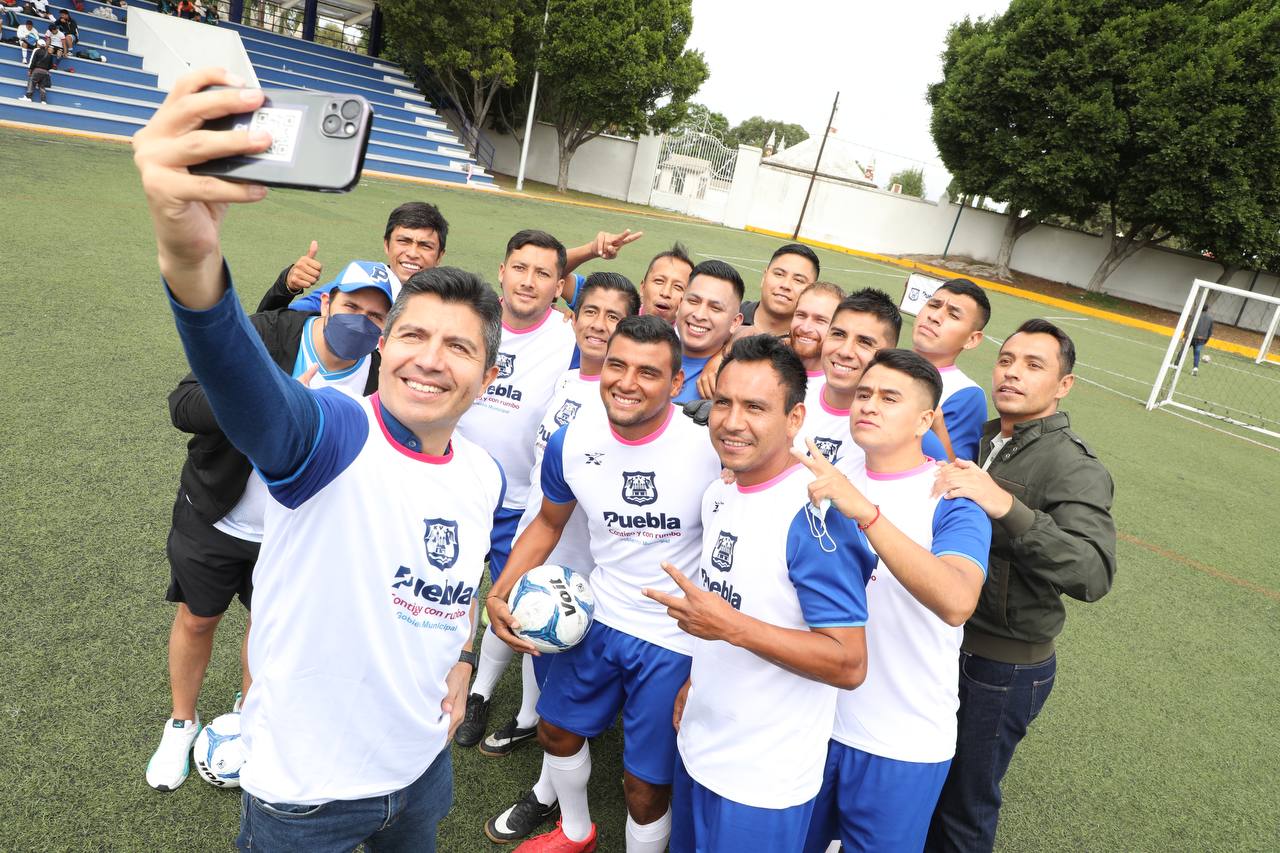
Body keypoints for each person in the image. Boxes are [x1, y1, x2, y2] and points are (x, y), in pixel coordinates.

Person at [133, 70, 506, 851]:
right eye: (411, 336)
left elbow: (459, 579)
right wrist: (191, 257)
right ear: (384, 348)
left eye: (458, 346)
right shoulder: (334, 434)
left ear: (489, 375)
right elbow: (242, 382)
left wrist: (464, 656)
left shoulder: (482, 473)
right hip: (306, 793)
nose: (429, 360)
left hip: (421, 770)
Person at [146, 262, 393, 792]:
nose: (362, 323)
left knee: (269, 633)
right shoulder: (268, 335)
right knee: (196, 620)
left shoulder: (382, 376)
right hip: (217, 513)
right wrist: (264, 397)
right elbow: (182, 405)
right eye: (352, 307)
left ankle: (250, 721)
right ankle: (181, 723)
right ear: (326, 302)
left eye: (377, 317)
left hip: (296, 535)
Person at [486, 315, 723, 853]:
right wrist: (500, 592)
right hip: (599, 614)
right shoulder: (573, 442)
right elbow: (548, 523)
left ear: (675, 384)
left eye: (648, 372)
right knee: (556, 731)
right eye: (617, 364)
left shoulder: (710, 450)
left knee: (643, 787)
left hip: (674, 637)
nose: (627, 381)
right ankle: (575, 831)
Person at [648, 335, 874, 853]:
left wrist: (730, 627)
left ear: (795, 419)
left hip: (763, 781)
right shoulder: (720, 492)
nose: (731, 421)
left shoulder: (814, 515)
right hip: (700, 747)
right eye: (723, 402)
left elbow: (848, 663)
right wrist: (698, 679)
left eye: (755, 407)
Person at [926, 319, 1117, 853]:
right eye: (1007, 359)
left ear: (1064, 385)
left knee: (963, 807)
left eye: (1034, 365)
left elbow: (1093, 572)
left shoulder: (1071, 465)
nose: (1012, 372)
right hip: (948, 642)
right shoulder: (989, 437)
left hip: (1001, 667)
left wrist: (1008, 507)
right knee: (927, 782)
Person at [798, 348, 991, 853]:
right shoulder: (830, 475)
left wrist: (867, 514)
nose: (869, 405)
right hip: (812, 719)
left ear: (924, 419)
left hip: (900, 740)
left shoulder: (952, 496)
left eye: (889, 397)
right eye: (864, 393)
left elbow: (956, 600)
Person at [482, 273, 641, 844]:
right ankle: (554, 797)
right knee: (545, 683)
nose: (600, 324)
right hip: (541, 561)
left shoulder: (632, 406)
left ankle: (551, 800)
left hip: (584, 579)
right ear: (574, 317)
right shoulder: (564, 380)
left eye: (614, 317)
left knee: (566, 710)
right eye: (591, 311)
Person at [452, 230, 578, 747]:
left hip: (522, 504)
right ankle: (463, 688)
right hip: (453, 487)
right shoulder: (471, 321)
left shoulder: (570, 340)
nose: (529, 281)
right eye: (520, 268)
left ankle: (517, 709)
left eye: (543, 273)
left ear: (560, 285)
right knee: (449, 594)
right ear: (501, 271)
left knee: (521, 604)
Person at [257, 201, 450, 312]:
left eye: (425, 245)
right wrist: (286, 286)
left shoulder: (452, 302)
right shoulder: (357, 279)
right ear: (386, 245)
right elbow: (271, 325)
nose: (412, 253)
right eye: (404, 241)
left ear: (440, 255)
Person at [911, 277, 992, 461]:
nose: (934, 316)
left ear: (972, 339)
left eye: (953, 315)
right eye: (933, 305)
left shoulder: (966, 394)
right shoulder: (882, 361)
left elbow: (953, 472)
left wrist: (936, 423)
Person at [673, 260, 744, 404]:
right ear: (680, 304)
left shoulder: (736, 379)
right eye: (693, 301)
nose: (699, 315)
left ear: (735, 322)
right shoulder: (649, 352)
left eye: (715, 308)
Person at [739, 243, 822, 335]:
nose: (785, 285)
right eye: (779, 274)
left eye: (798, 280)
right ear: (764, 276)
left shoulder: (812, 340)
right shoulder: (730, 316)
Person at [788, 281, 845, 378]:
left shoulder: (837, 386)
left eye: (820, 320)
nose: (805, 328)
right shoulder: (768, 362)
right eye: (801, 315)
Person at [635, 243, 694, 324]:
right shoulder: (619, 321)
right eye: (659, 281)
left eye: (678, 286)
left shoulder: (689, 334)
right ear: (642, 287)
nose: (665, 293)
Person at [22, 35, 54, 103]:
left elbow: (33, 61)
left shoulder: (37, 51)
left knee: (31, 82)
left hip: (37, 70)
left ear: (38, 45)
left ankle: (28, 97)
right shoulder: (49, 54)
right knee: (42, 86)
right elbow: (51, 66)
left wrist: (30, 70)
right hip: (45, 72)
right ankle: (43, 100)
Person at [1190, 305, 1213, 375]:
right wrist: (1206, 340)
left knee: (1183, 350)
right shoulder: (1210, 318)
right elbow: (1210, 331)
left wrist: (1185, 335)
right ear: (1207, 309)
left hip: (1192, 337)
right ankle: (1195, 368)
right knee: (1197, 353)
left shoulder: (1195, 315)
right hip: (1202, 339)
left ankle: (1176, 364)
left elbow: (1190, 325)